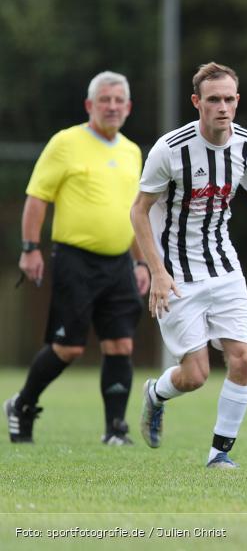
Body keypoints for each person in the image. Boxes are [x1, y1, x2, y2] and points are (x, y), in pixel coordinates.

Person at [130, 62, 247, 468]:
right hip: (176, 274)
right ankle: (156, 393)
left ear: (237, 101)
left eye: (228, 99)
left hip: (224, 267)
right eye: (213, 100)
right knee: (195, 375)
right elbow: (139, 211)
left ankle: (219, 453)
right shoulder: (170, 150)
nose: (222, 107)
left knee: (243, 358)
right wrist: (157, 272)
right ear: (197, 102)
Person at [4, 71, 150, 446]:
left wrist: (140, 262)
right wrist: (30, 249)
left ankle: (115, 430)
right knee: (68, 348)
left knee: (121, 345)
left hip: (119, 263)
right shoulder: (65, 143)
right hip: (76, 261)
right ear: (89, 105)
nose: (112, 106)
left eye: (119, 100)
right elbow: (37, 198)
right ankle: (22, 404)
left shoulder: (132, 152)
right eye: (105, 100)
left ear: (129, 107)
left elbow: (133, 213)